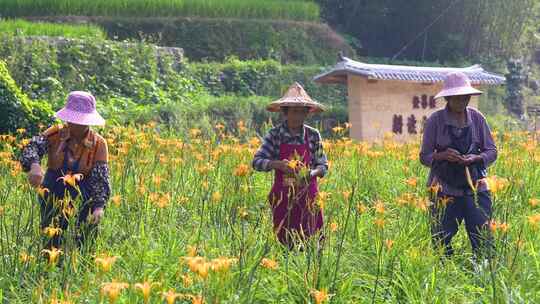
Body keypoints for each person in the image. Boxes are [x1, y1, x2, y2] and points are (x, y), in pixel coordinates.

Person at [420, 72, 497, 258]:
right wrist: (442, 155)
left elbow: (492, 151)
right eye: (457, 98)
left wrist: (474, 158)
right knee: (441, 241)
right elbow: (424, 157)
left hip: (476, 189)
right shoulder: (434, 121)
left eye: (465, 97)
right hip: (443, 190)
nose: (462, 101)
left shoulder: (477, 118)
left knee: (483, 240)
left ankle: (482, 275)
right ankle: (445, 278)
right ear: (447, 98)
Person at [20, 91, 111, 249]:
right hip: (53, 190)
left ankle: (79, 268)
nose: (76, 125)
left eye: (81, 121)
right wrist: (34, 165)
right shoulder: (55, 133)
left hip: (83, 193)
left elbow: (100, 178)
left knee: (84, 238)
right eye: (73, 120)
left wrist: (98, 207)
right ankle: (50, 266)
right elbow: (33, 147)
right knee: (51, 236)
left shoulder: (98, 143)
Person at [252, 82, 328, 248]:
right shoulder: (275, 135)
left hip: (310, 198)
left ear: (307, 113)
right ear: (285, 112)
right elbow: (256, 162)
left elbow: (323, 166)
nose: (297, 116)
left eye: (302, 112)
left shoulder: (313, 135)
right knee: (284, 244)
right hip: (283, 198)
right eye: (293, 111)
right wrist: (278, 164)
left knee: (313, 244)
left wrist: (311, 173)